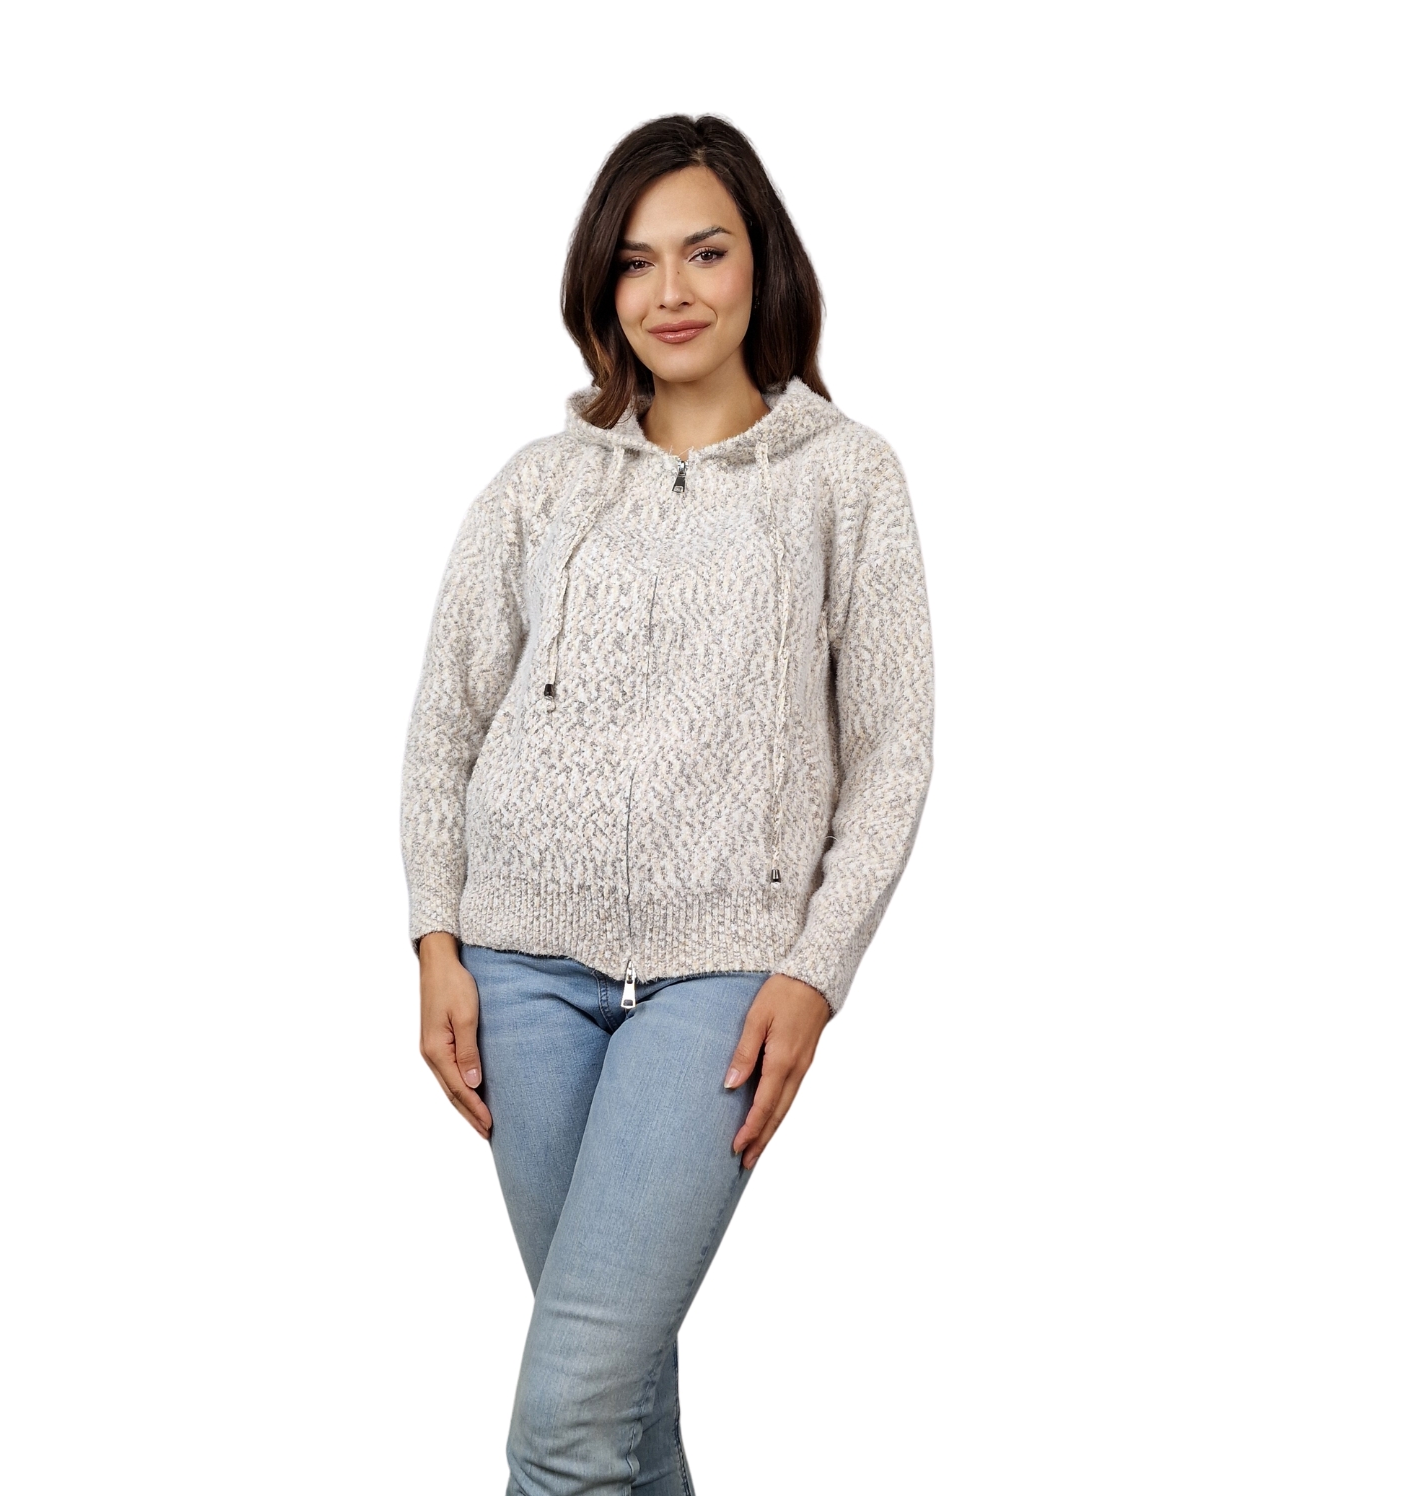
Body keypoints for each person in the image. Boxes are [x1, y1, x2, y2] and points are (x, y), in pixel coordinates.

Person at [401, 113, 935, 1496]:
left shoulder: (846, 480)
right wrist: (437, 942)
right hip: (517, 972)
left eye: (705, 251)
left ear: (764, 264)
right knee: (623, 1411)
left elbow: (893, 751)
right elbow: (446, 723)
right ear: (602, 284)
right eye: (636, 262)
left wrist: (815, 973)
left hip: (724, 978)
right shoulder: (540, 485)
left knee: (566, 1424)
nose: (671, 292)